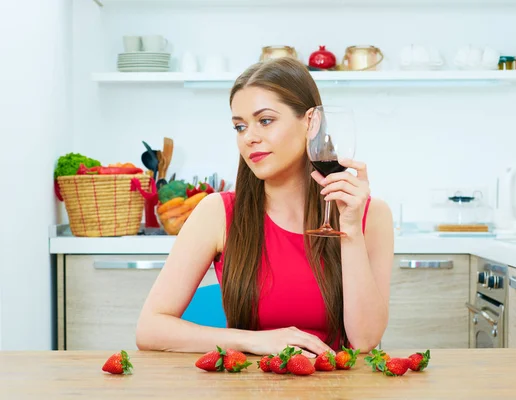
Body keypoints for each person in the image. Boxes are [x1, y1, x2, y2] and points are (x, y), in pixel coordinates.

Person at [136, 57, 394, 357]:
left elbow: (365, 341)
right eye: (240, 127)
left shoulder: (372, 216)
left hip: (340, 386)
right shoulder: (216, 212)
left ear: (311, 122)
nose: (250, 138)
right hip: (249, 385)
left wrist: (349, 230)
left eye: (266, 121)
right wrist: (253, 341)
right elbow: (150, 328)